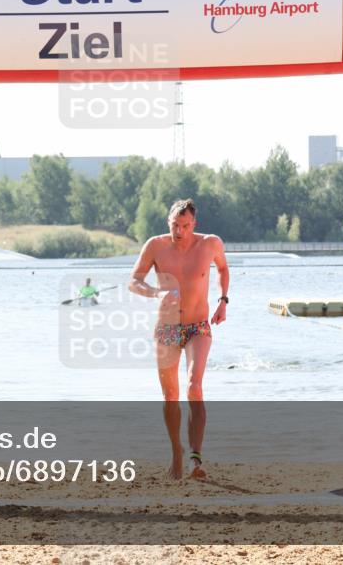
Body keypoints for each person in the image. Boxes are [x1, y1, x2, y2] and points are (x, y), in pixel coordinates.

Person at [129, 198, 229, 480]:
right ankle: (177, 451)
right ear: (168, 223)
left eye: (185, 226)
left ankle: (196, 458)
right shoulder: (155, 245)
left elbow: (222, 268)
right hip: (167, 327)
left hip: (198, 325)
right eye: (175, 225)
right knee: (170, 396)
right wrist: (155, 292)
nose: (180, 231)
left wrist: (223, 300)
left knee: (194, 387)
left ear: (193, 224)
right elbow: (134, 280)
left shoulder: (210, 244)